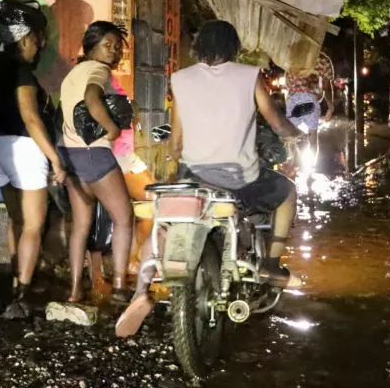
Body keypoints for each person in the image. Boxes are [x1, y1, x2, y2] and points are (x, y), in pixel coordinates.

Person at [116, 20, 302, 336]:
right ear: (233, 48)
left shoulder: (180, 78)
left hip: (193, 176)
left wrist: (186, 162)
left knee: (166, 221)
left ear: (199, 47)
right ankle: (271, 264)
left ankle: (139, 290)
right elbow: (274, 119)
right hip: (238, 179)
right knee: (287, 192)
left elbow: (175, 144)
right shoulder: (249, 76)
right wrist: (294, 134)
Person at [0, 0, 65, 319]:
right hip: (25, 150)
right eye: (38, 38)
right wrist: (55, 158)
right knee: (33, 225)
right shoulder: (23, 72)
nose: (40, 45)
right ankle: (20, 296)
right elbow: (31, 117)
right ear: (26, 38)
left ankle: (14, 282)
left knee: (16, 220)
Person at [59, 22, 135, 304]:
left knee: (80, 227)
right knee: (124, 218)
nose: (114, 51)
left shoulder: (72, 75)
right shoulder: (98, 70)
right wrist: (112, 129)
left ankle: (76, 290)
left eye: (118, 46)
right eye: (108, 44)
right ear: (91, 46)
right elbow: (92, 98)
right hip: (95, 155)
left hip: (72, 157)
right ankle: (118, 287)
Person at [85, 71, 155, 304]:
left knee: (149, 205)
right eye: (109, 44)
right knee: (98, 217)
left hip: (124, 154)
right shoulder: (92, 78)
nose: (115, 49)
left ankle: (130, 262)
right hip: (111, 155)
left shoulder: (107, 77)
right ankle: (102, 276)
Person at [285, 51, 337, 133]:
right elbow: (326, 87)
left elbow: (287, 82)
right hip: (311, 100)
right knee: (312, 135)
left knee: (291, 133)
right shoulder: (323, 60)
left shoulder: (293, 58)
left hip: (294, 100)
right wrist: (330, 107)